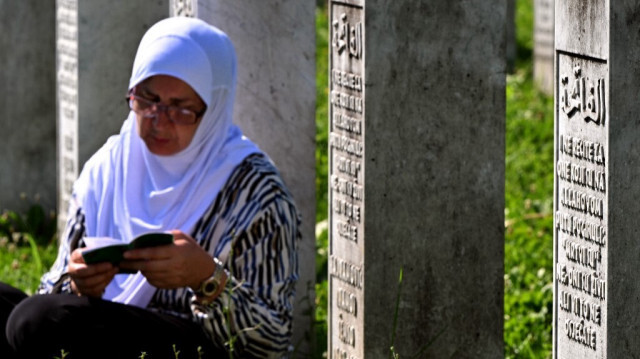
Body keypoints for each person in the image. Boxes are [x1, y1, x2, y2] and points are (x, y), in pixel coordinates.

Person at [0, 17, 300, 358]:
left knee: (36, 321)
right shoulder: (110, 166)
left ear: (213, 109)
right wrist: (77, 281)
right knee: (22, 314)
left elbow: (272, 341)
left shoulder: (255, 192)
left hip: (193, 345)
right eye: (148, 99)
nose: (159, 120)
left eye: (181, 109)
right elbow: (51, 288)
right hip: (100, 329)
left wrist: (207, 279)